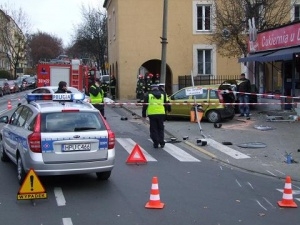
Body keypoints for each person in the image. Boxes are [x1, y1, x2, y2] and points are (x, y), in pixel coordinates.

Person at [142, 84, 171, 149]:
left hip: (152, 114)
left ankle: (156, 143)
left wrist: (144, 115)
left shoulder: (148, 95)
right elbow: (167, 103)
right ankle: (161, 142)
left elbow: (145, 106)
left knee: (153, 129)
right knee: (161, 128)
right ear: (157, 88)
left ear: (152, 88)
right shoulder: (163, 94)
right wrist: (168, 111)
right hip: (161, 113)